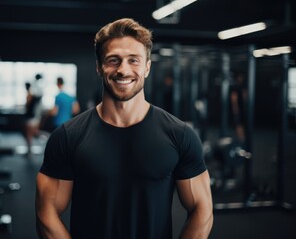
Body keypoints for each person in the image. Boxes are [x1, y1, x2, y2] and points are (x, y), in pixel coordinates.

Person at [36, 18, 213, 239]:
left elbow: (202, 209)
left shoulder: (179, 135)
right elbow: (47, 213)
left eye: (134, 60)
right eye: (113, 60)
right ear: (99, 67)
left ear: (147, 67)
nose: (123, 70)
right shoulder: (68, 137)